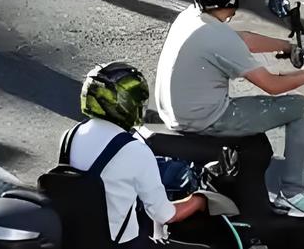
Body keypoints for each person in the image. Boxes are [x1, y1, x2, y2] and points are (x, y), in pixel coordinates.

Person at [154, 0, 304, 216]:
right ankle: (293, 192)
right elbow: (272, 86)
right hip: (205, 118)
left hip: (175, 112)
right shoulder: (217, 37)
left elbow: (240, 39)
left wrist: (287, 47)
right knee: (300, 108)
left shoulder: (192, 18)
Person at [69, 62, 207, 248]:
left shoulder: (70, 136)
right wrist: (200, 200)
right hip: (118, 243)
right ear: (127, 105)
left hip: (75, 237)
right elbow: (165, 215)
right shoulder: (135, 150)